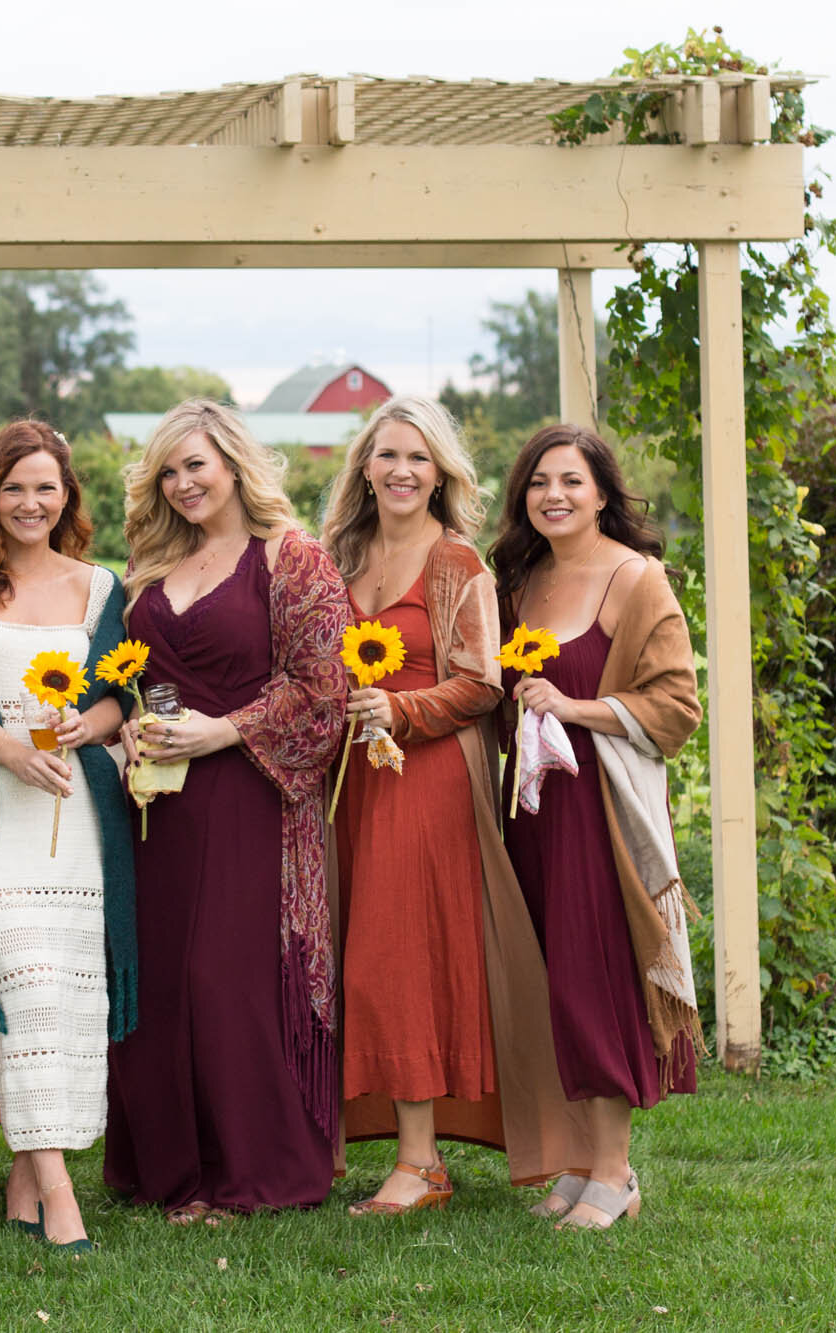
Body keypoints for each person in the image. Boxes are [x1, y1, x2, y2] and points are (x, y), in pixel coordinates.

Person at [322, 397, 592, 1215]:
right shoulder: (337, 555)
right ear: (364, 467)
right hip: (348, 779)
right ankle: (371, 1143)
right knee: (352, 953)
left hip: (426, 776)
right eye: (387, 455)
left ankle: (420, 1162)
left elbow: (480, 685)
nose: (402, 470)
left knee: (396, 959)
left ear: (440, 472)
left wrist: (397, 711)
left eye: (418, 457)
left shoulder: (457, 565)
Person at [103, 399, 348, 1221]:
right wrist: (134, 731)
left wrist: (224, 730)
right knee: (164, 978)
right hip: (158, 807)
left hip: (253, 794)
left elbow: (324, 691)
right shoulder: (147, 568)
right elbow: (126, 680)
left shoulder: (291, 558)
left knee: (226, 979)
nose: (180, 484)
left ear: (235, 463)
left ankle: (255, 1170)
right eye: (166, 471)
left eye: (194, 465)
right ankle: (173, 1168)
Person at [0, 421, 138, 1253]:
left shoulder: (99, 584)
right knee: (22, 982)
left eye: (45, 487)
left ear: (67, 496)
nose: (30, 503)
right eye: (14, 488)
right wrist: (13, 750)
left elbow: (123, 690)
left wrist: (86, 725)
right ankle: (58, 1189)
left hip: (78, 811)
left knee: (72, 996)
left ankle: (22, 1179)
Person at [490, 422, 703, 1231]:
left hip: (599, 817)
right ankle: (577, 1160)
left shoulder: (635, 579)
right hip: (533, 814)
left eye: (570, 481)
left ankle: (614, 1171)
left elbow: (676, 706)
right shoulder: (520, 583)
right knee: (549, 986)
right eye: (539, 481)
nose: (553, 494)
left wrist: (573, 707)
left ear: (603, 492)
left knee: (593, 985)